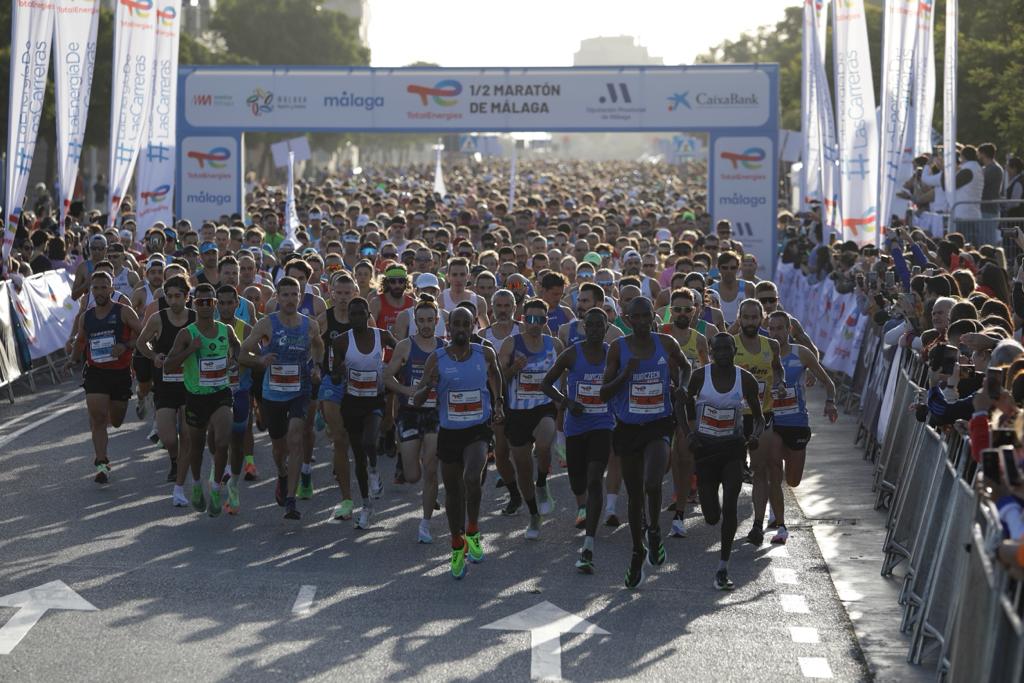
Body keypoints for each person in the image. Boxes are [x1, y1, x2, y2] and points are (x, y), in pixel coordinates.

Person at [600, 297, 691, 589]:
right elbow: (603, 392)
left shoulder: (665, 343)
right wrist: (626, 374)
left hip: (658, 424)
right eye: (635, 317)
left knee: (653, 482)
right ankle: (637, 552)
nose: (641, 321)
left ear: (654, 316)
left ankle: (653, 531)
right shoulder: (618, 348)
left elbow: (686, 367)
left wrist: (683, 389)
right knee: (635, 494)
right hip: (628, 427)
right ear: (627, 319)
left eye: (646, 316)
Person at [413, 307, 504, 579]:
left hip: (477, 429)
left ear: (474, 325)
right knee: (452, 492)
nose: (462, 328)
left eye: (467, 323)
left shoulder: (484, 353)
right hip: (449, 432)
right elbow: (417, 400)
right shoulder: (436, 358)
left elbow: (496, 375)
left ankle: (473, 529)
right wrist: (428, 386)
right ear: (448, 327)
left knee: (471, 477)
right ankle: (456, 542)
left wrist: (498, 403)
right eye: (457, 324)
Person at [679, 332, 764, 590]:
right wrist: (688, 434)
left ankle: (723, 567)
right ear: (712, 352)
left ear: (735, 350)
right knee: (712, 517)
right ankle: (713, 515)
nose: (724, 354)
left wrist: (755, 436)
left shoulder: (745, 379)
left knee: (730, 507)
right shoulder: (699, 376)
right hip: (705, 450)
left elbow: (759, 418)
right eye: (719, 350)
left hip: (732, 449)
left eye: (729, 349)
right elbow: (680, 405)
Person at [239, 277, 324, 520]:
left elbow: (318, 347)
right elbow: (243, 352)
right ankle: (282, 474)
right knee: (279, 447)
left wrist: (316, 367)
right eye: (284, 295)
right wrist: (259, 361)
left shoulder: (310, 325)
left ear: (300, 296)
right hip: (273, 393)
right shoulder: (267, 324)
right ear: (277, 297)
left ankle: (290, 499)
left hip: (301, 389)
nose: (289, 299)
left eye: (293, 294)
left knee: (296, 438)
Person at [542, 307, 615, 573]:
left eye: (600, 325)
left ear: (607, 328)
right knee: (578, 481)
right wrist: (566, 402)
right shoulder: (572, 353)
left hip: (603, 423)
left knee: (595, 478)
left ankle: (589, 541)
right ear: (584, 327)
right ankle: (582, 504)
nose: (595, 329)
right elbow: (546, 383)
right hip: (576, 426)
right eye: (591, 325)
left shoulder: (613, 353)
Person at [163, 283, 240, 517]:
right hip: (196, 397)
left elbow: (237, 346)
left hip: (220, 394)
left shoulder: (226, 330)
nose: (205, 305)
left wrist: (233, 360)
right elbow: (168, 364)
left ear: (215, 304)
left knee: (223, 440)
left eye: (209, 301)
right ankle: (196, 484)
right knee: (196, 447)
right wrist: (190, 351)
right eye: (200, 302)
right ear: (194, 304)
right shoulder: (187, 333)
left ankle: (215, 487)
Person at [765, 311, 838, 544]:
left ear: (789, 331)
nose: (775, 333)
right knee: (773, 469)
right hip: (772, 422)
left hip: (796, 423)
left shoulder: (801, 353)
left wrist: (830, 402)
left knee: (793, 480)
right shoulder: (762, 354)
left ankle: (777, 502)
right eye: (771, 328)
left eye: (780, 328)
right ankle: (780, 523)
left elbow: (829, 383)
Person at [498, 298, 564, 539]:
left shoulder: (554, 344)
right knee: (523, 469)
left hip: (543, 407)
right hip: (516, 413)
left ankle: (543, 482)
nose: (534, 324)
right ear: (523, 319)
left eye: (540, 319)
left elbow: (563, 374)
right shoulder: (511, 344)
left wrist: (561, 403)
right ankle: (534, 515)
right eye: (530, 319)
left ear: (546, 321)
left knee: (546, 442)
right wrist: (514, 368)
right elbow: (497, 377)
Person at [331, 297, 398, 529]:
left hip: (374, 401)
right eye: (353, 314)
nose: (357, 318)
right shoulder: (340, 341)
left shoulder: (382, 336)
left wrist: (391, 372)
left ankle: (373, 470)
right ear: (348, 317)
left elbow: (401, 354)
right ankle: (366, 505)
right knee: (357, 455)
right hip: (351, 402)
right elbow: (334, 375)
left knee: (370, 441)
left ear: (369, 314)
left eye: (361, 313)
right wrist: (338, 372)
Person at [70, 271, 142, 483]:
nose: (100, 292)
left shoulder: (124, 312)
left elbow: (143, 335)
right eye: (96, 288)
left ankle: (111, 417)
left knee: (117, 420)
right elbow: (81, 341)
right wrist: (72, 359)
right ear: (91, 291)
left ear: (112, 289)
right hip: (96, 373)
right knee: (98, 418)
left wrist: (125, 345)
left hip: (120, 374)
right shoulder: (87, 316)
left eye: (104, 287)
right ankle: (101, 462)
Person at [384, 298, 444, 543]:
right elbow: (387, 377)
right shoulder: (405, 346)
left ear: (437, 321)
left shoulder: (444, 348)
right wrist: (410, 392)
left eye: (430, 320)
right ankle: (409, 461)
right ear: (415, 322)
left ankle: (426, 524)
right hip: (409, 414)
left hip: (434, 414)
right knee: (412, 476)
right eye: (421, 321)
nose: (426, 325)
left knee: (431, 469)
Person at [734, 298, 785, 546]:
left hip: (761, 415)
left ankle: (756, 524)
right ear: (739, 318)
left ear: (761, 318)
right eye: (746, 317)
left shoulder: (771, 345)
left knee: (760, 469)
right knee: (732, 471)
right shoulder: (729, 345)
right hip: (733, 417)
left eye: (755, 317)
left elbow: (778, 368)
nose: (751, 322)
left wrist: (780, 383)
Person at [137, 275, 195, 489]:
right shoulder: (158, 319)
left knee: (187, 433)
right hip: (165, 385)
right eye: (169, 296)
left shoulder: (196, 318)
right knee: (168, 437)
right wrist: (154, 357)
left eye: (178, 296)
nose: (173, 301)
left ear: (187, 297)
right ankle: (174, 458)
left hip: (190, 385)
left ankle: (181, 470)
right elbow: (141, 343)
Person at [661, 287, 710, 536]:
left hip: (688, 403)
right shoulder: (661, 334)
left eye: (687, 310)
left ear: (694, 311)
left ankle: (680, 514)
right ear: (670, 311)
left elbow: (705, 372)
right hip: (660, 402)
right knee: (665, 461)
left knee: (684, 455)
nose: (681, 313)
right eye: (677, 309)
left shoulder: (699, 340)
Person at [318, 273, 356, 520]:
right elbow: (313, 343)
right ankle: (346, 498)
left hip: (357, 382)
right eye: (338, 293)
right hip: (330, 382)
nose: (343, 298)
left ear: (354, 293)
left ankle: (343, 461)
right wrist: (315, 367)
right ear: (331, 293)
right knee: (340, 437)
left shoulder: (361, 317)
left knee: (351, 437)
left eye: (347, 293)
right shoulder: (324, 318)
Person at [216, 284, 253, 514]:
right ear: (216, 304)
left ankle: (233, 486)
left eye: (230, 303)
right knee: (216, 439)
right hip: (215, 391)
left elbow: (256, 357)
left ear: (237, 304)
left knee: (237, 441)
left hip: (240, 390)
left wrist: (241, 360)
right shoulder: (208, 328)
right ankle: (217, 471)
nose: (226, 307)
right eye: (222, 303)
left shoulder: (246, 329)